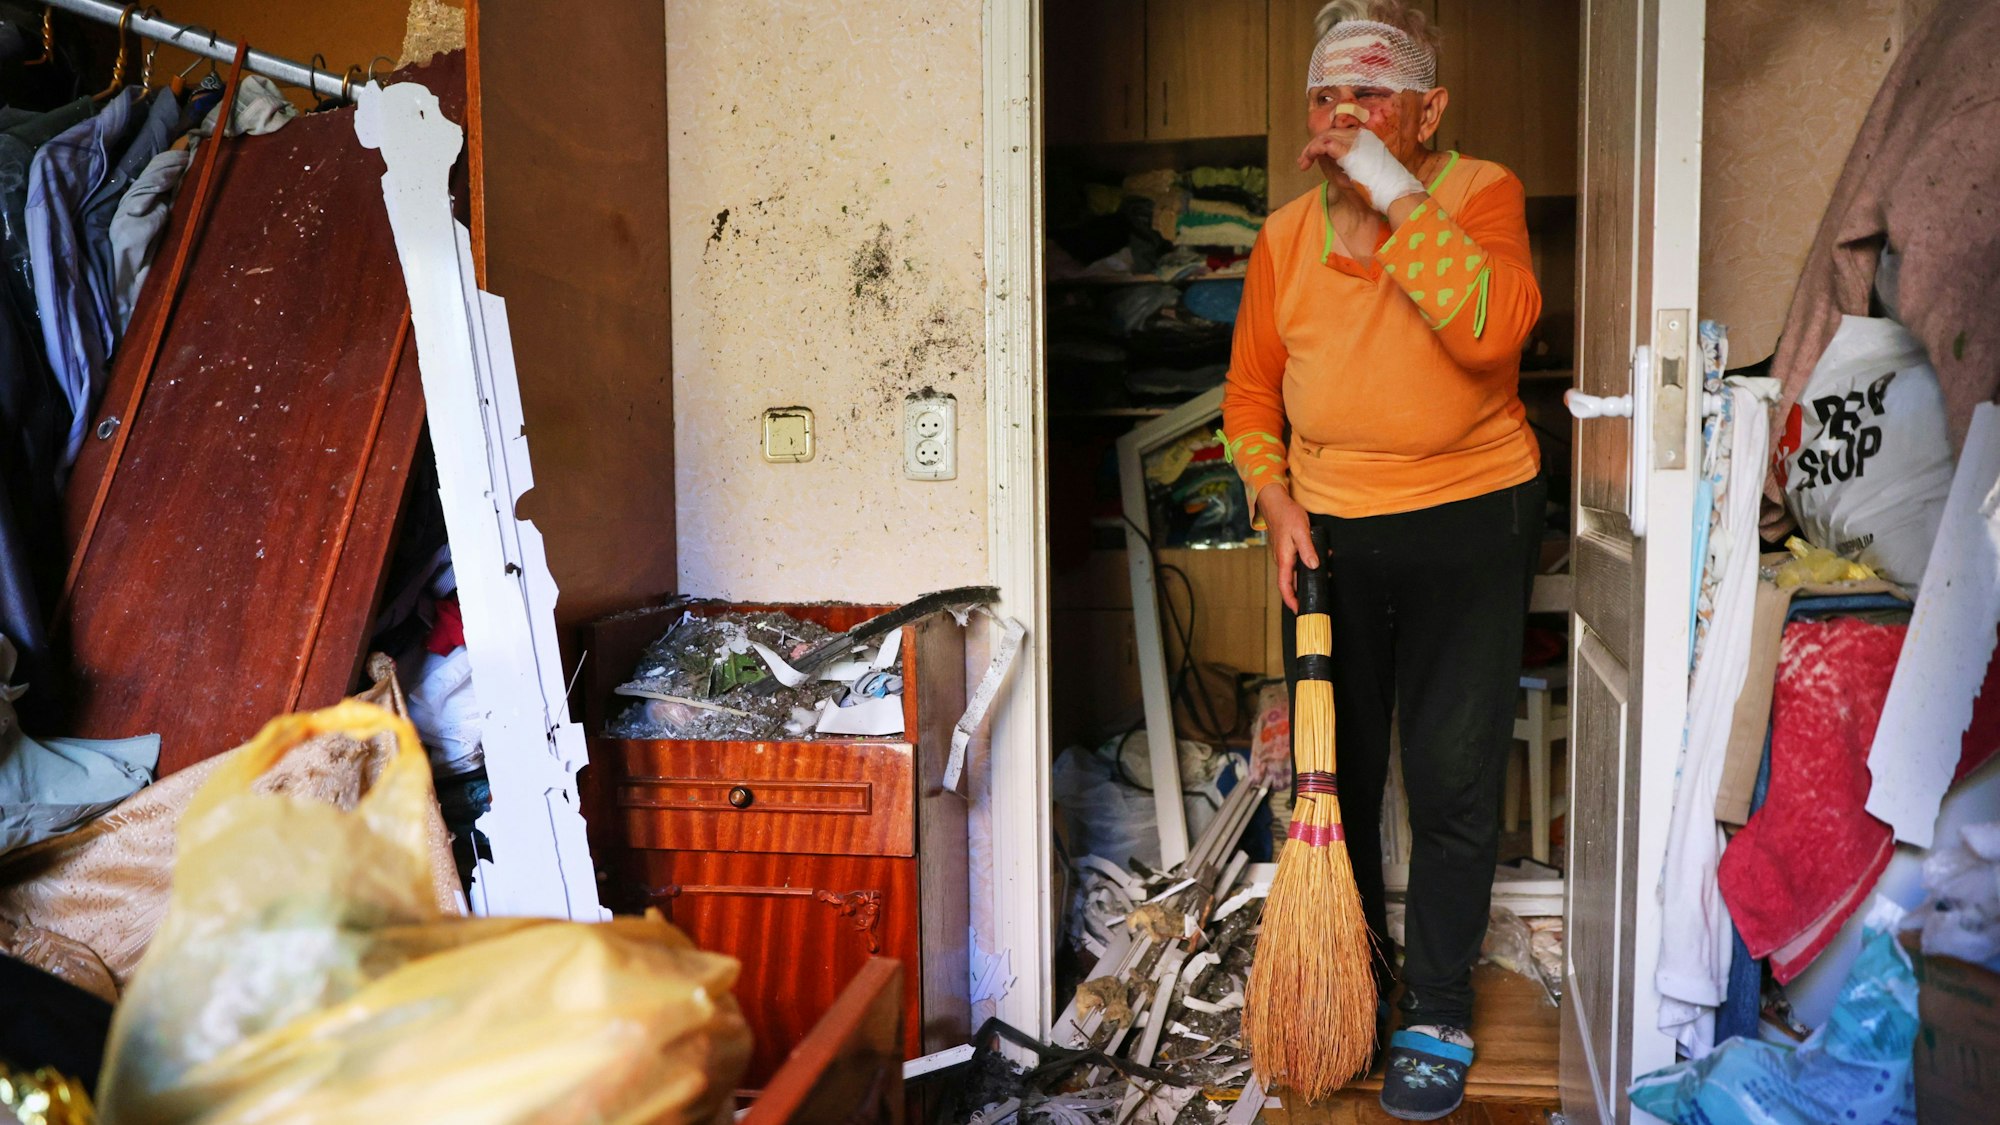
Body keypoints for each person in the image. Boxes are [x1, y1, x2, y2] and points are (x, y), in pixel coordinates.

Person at [1220, 1, 1545, 1118]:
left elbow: (1489, 331)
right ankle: (1346, 989)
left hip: (1473, 515)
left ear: (1428, 111)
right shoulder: (1282, 237)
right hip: (1330, 531)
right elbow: (1250, 394)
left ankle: (1438, 1003)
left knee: (1452, 775)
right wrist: (1270, 494)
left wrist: (1390, 191)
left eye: (1369, 94)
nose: (1342, 113)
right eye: (1325, 96)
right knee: (1335, 775)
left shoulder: (1480, 193)